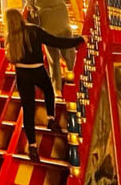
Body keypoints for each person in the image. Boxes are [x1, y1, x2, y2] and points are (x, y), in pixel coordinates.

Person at [5, 10, 84, 162]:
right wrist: (78, 40)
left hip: (22, 73)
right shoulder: (33, 31)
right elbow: (56, 41)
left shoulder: (11, 37)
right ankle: (50, 119)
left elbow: (11, 59)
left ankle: (33, 146)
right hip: (37, 70)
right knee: (49, 90)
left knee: (28, 110)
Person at [23, 0, 77, 93]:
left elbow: (30, 4)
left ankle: (57, 90)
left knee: (53, 59)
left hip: (46, 22)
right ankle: (76, 81)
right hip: (62, 17)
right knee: (69, 53)